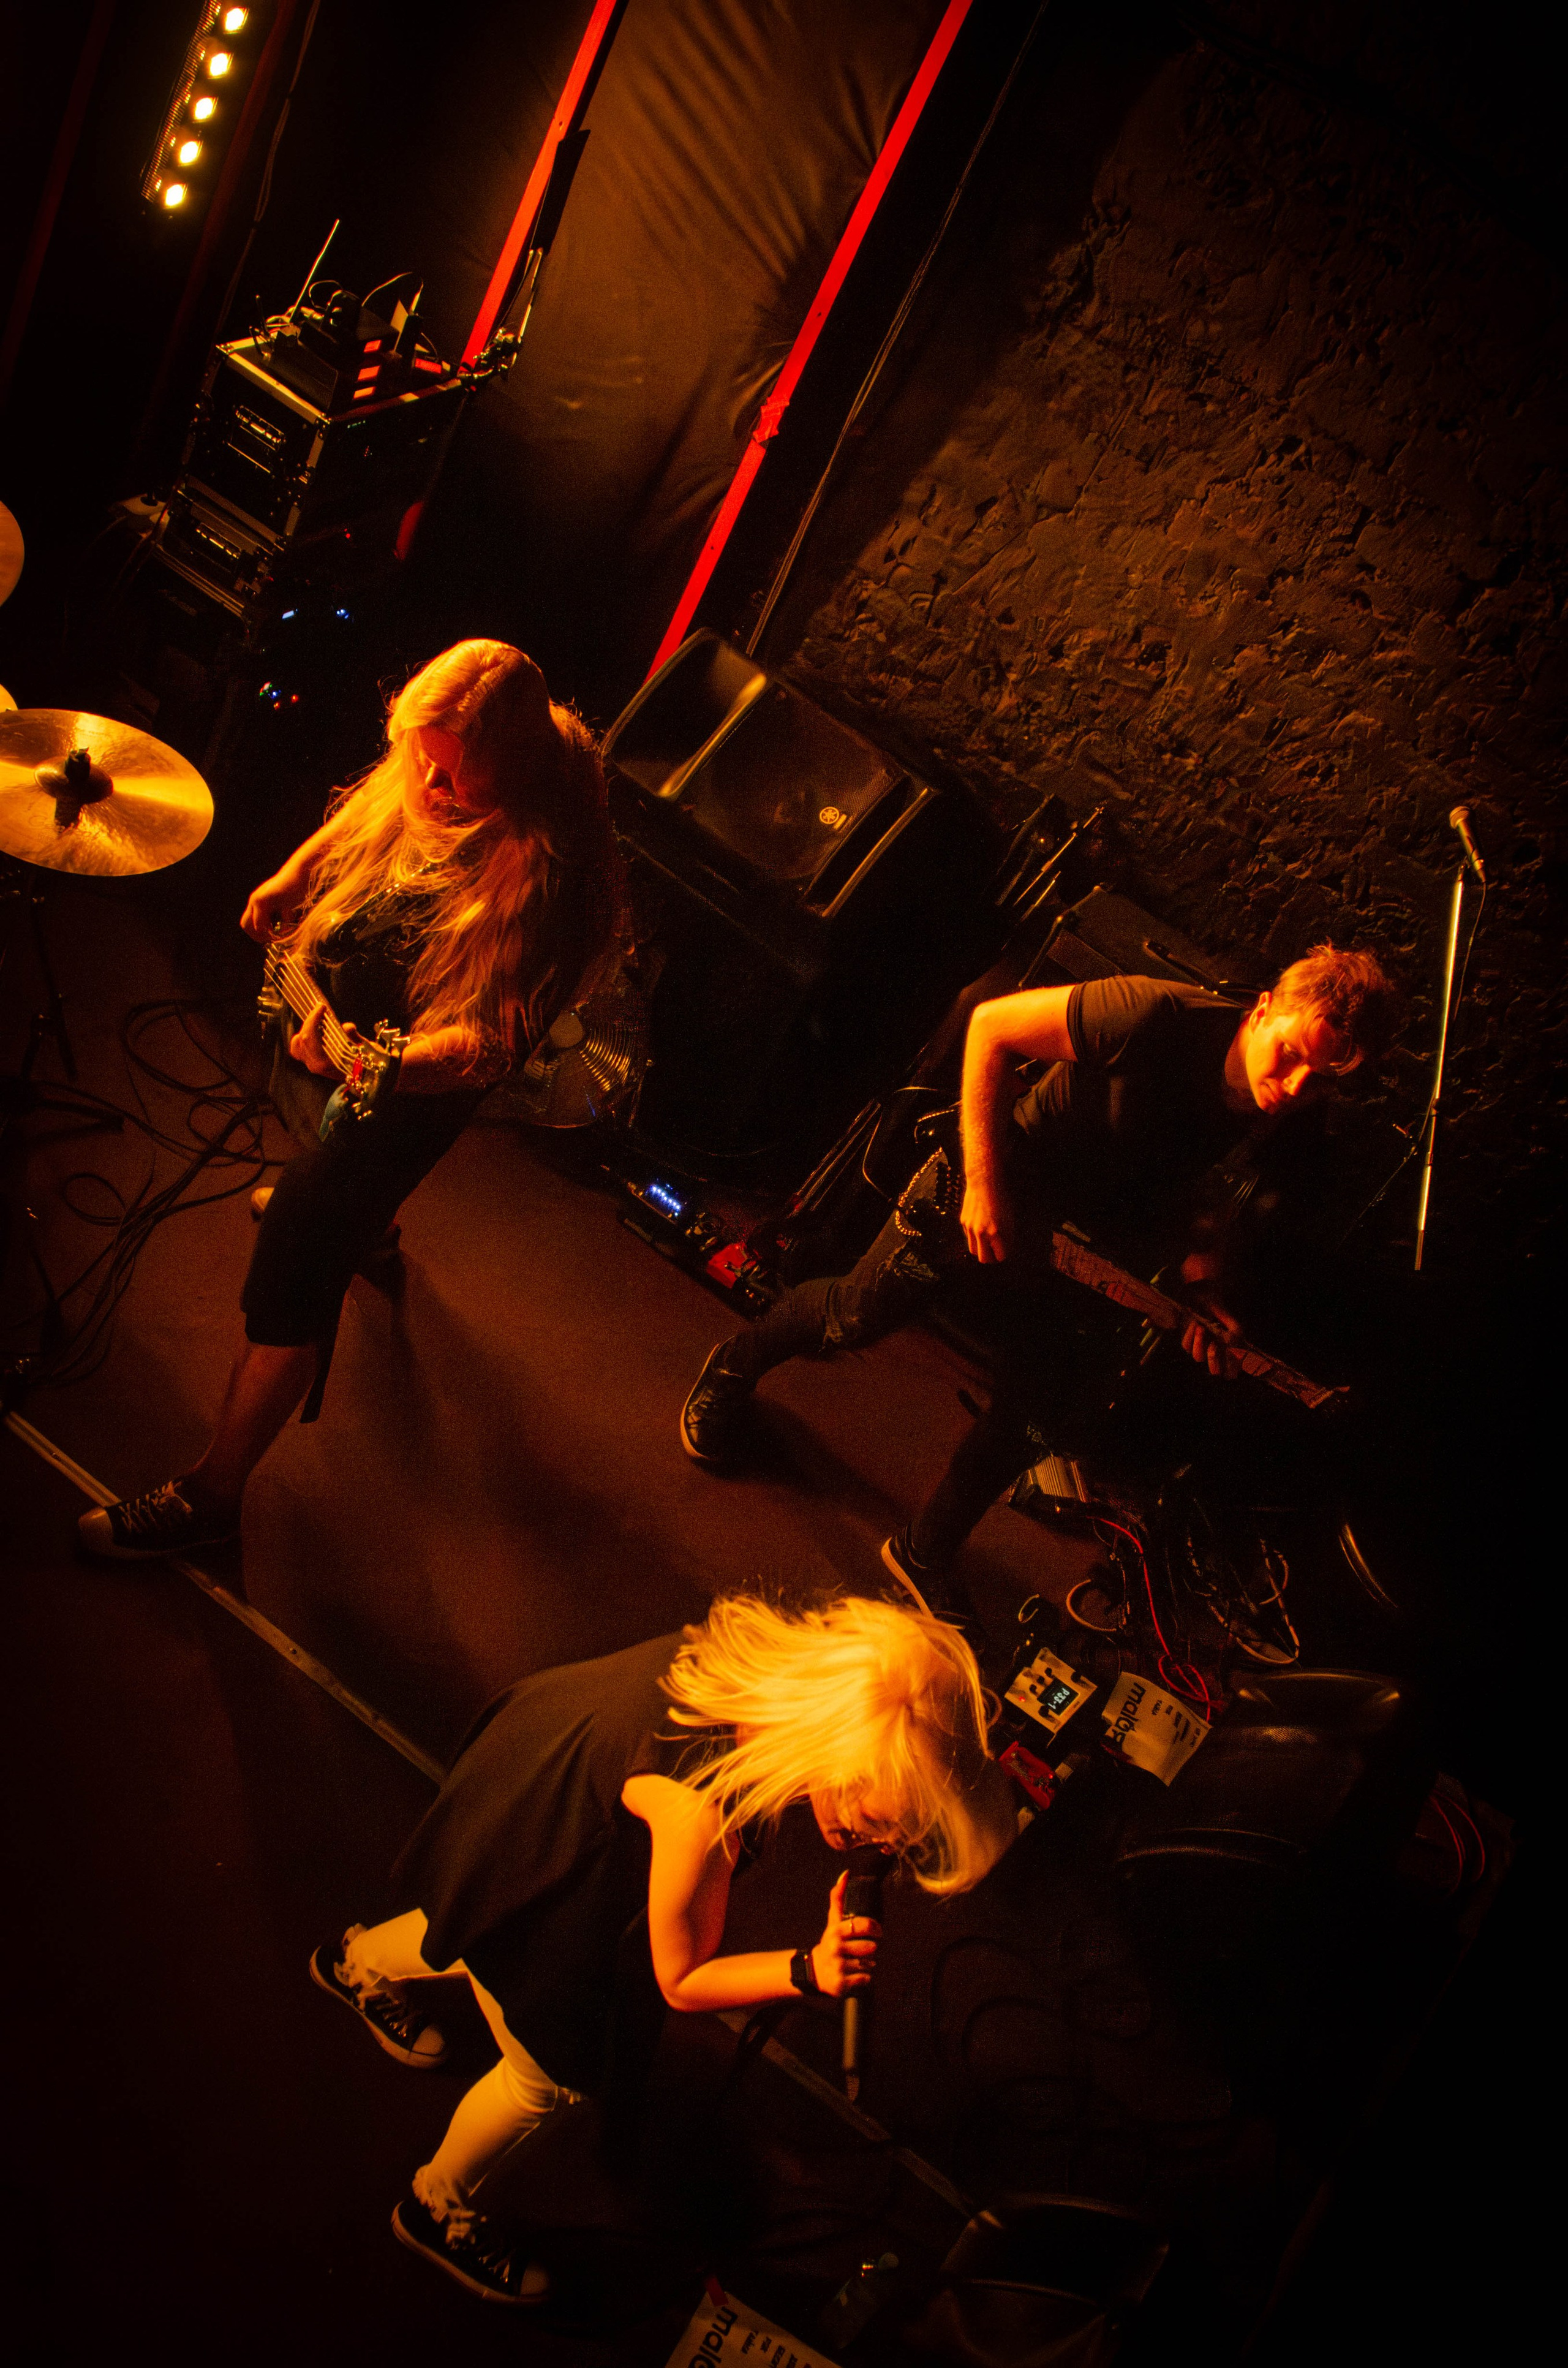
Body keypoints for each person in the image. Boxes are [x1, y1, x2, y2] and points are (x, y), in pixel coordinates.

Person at [310, 1592, 1018, 2305]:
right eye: (878, 1817)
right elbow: (681, 1979)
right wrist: (810, 1967)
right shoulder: (700, 1811)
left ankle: (357, 1962)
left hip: (526, 1797)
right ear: (834, 1751)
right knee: (545, 2079)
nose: (887, 1843)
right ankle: (438, 2204)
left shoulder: (757, 1669)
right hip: (559, 1858)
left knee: (471, 1918)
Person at [81, 640, 620, 1559]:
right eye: (421, 757)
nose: (427, 787)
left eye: (454, 780)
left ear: (513, 772)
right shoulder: (437, 755)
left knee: (299, 1244)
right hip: (368, 1034)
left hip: (413, 1077)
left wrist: (369, 1067)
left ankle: (211, 1501)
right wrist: (297, 874)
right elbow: (383, 800)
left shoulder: (548, 874)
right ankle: (370, 1231)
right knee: (320, 1141)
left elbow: (485, 1047)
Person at [680, 946, 1398, 1625]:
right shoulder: (1156, 1015)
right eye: (1292, 1052)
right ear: (1264, 1008)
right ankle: (733, 1363)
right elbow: (993, 1025)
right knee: (852, 1317)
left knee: (1032, 1415)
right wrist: (985, 1186)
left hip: (1092, 1244)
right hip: (999, 1176)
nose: (1299, 1083)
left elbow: (1207, 1202)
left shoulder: (1295, 1121)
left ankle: (923, 1550)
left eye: (1326, 1075)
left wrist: (1204, 1295)